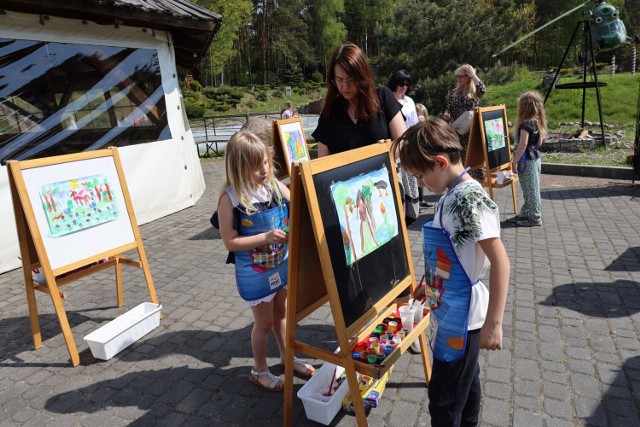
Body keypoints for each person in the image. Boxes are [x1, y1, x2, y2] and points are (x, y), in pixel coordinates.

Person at [392, 119, 510, 426]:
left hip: (465, 318)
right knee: (466, 385)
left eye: (420, 176)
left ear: (441, 162)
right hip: (450, 309)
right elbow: (448, 254)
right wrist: (425, 285)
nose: (420, 184)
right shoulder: (450, 193)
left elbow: (501, 261)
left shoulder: (469, 201)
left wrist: (494, 323)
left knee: (444, 401)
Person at [217, 131, 314, 392]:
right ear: (238, 168)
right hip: (256, 273)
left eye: (265, 163)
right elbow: (230, 242)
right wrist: (266, 236)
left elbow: (299, 205)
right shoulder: (231, 199)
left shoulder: (272, 185)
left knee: (282, 314)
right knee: (264, 323)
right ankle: (259, 370)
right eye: (255, 166)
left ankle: (287, 357)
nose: (263, 170)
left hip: (279, 264)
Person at [312, 42, 406, 157]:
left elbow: (402, 142)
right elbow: (322, 163)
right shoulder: (329, 112)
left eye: (350, 79)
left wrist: (381, 154)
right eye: (339, 80)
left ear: (362, 76)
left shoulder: (383, 96)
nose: (344, 87)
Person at [508, 91, 547, 227]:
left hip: (527, 161)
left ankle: (535, 217)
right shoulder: (537, 123)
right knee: (530, 188)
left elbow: (523, 144)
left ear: (524, 107)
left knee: (531, 190)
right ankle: (526, 212)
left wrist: (515, 161)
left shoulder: (525, 125)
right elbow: (539, 143)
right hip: (535, 158)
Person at [388, 69, 422, 222]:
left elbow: (414, 124)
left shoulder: (409, 102)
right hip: (394, 148)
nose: (404, 87)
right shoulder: (387, 99)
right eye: (401, 83)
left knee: (410, 180)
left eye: (407, 84)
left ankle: (411, 211)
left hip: (408, 146)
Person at [443, 64, 486, 180]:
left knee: (473, 160)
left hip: (471, 133)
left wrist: (473, 75)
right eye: (457, 77)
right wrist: (447, 113)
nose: (458, 79)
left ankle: (477, 185)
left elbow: (483, 89)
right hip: (457, 132)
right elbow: (448, 107)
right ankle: (460, 183)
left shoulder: (475, 91)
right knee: (458, 160)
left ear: (468, 77)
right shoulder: (453, 92)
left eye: (461, 76)